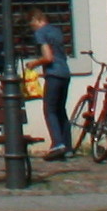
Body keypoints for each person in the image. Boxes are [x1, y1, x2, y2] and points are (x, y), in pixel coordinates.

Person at [30, 11, 74, 158]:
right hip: (65, 73)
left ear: (38, 20)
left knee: (49, 110)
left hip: (54, 74)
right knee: (61, 110)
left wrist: (34, 63)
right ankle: (68, 147)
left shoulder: (40, 33)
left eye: (32, 24)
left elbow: (48, 57)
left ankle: (57, 144)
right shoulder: (57, 31)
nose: (33, 28)